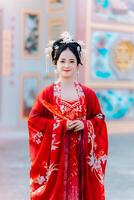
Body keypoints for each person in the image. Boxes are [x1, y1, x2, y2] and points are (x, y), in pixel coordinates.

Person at [28, 32, 108, 200]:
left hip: (82, 156)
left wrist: (85, 124)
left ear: (78, 64)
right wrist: (61, 126)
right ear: (55, 63)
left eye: (72, 61)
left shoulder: (88, 94)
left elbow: (99, 118)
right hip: (56, 159)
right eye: (62, 61)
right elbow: (34, 121)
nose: (67, 65)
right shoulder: (47, 94)